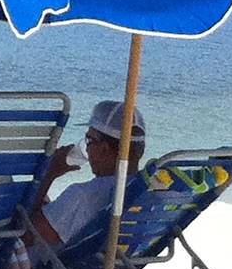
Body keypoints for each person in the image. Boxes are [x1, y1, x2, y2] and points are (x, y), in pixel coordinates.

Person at [30, 98, 147, 249]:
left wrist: (49, 173)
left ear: (104, 149)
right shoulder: (142, 191)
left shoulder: (82, 196)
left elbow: (25, 237)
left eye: (89, 140)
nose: (86, 147)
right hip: (119, 266)